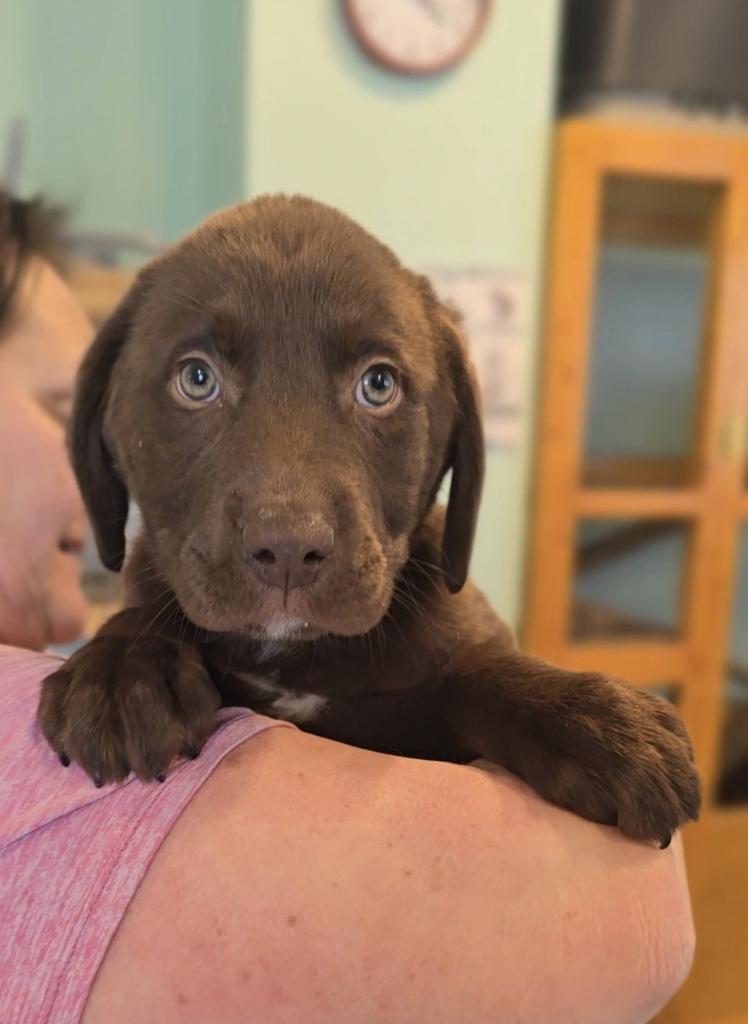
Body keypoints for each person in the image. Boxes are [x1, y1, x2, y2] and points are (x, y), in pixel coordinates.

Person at [0, 191, 695, 1024]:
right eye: (197, 378)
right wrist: (130, 645)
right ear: (105, 435)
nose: (288, 525)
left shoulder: (436, 626)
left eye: (378, 384)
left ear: (452, 447)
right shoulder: (142, 639)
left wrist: (507, 698)